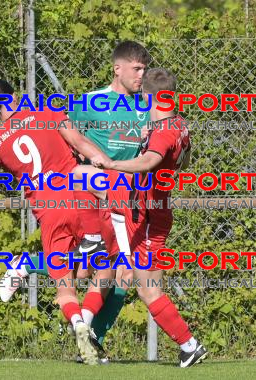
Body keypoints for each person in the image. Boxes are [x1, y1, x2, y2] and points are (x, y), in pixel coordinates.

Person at [11, 41, 152, 358]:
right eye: (136, 68)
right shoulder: (91, 103)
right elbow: (66, 137)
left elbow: (158, 147)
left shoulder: (148, 106)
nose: (142, 74)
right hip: (94, 195)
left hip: (129, 197)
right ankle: (89, 338)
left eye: (144, 69)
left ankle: (88, 338)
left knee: (117, 273)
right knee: (101, 268)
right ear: (118, 69)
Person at [76, 68, 207, 368]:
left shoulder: (163, 132)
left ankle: (189, 345)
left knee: (147, 288)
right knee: (120, 271)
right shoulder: (179, 124)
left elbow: (150, 161)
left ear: (148, 97)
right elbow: (183, 162)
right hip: (148, 210)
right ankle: (92, 334)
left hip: (146, 217)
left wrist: (113, 162)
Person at [0, 79, 117, 365]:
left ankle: (78, 322)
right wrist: (107, 164)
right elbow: (79, 142)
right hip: (78, 196)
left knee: (67, 282)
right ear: (16, 96)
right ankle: (88, 322)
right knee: (106, 267)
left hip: (47, 208)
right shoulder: (46, 111)